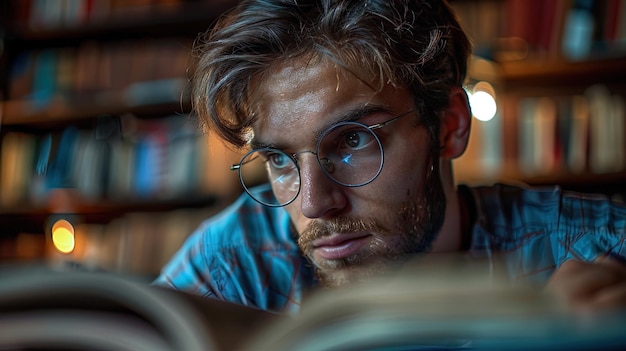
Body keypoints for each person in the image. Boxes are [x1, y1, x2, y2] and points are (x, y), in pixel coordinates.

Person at [154, 0, 626, 315]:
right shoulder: (233, 266)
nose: (315, 204)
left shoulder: (596, 249)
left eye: (354, 141)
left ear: (449, 126)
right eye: (279, 160)